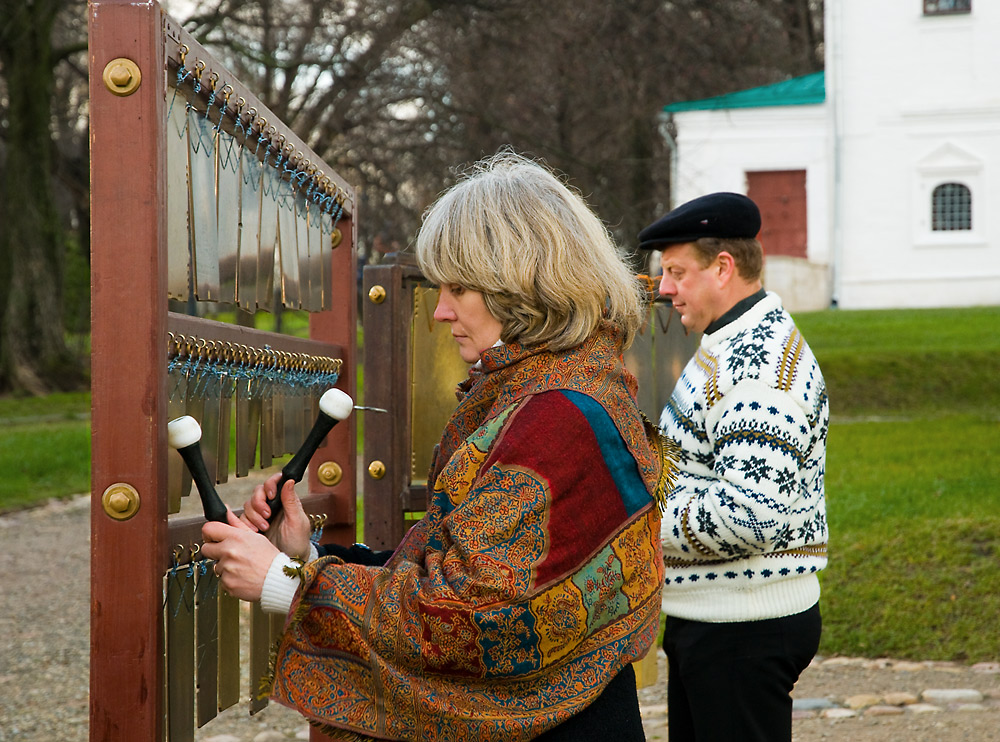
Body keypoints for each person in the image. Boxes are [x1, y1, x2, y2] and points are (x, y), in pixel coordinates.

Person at [202, 152, 674, 741]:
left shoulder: (559, 417)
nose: (442, 311)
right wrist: (305, 554)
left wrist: (286, 581)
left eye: (458, 288)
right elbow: (456, 563)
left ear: (522, 283)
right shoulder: (535, 393)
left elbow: (474, 618)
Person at [637, 192, 829, 742]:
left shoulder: (757, 367)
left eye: (676, 271)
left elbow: (749, 515)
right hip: (724, 622)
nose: (665, 287)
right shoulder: (734, 340)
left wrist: (637, 512)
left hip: (743, 629)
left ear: (723, 268)